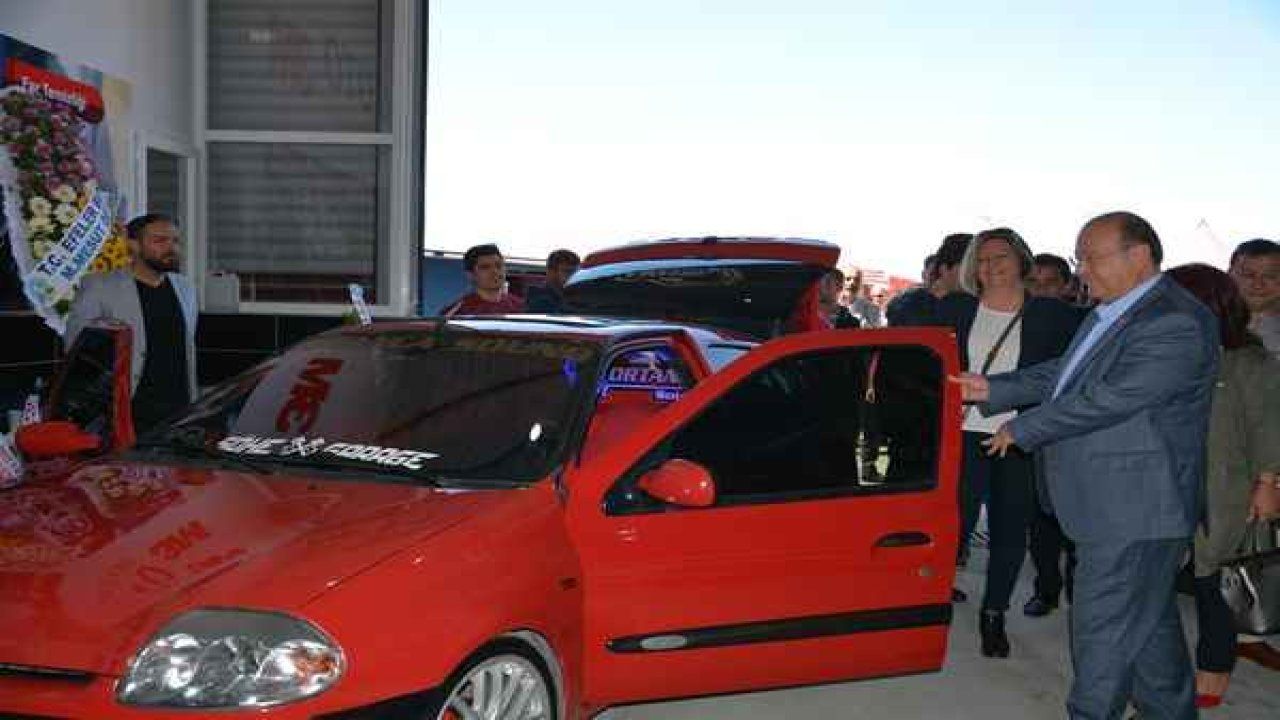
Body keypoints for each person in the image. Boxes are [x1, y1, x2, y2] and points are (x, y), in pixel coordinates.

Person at [952, 211, 1219, 719]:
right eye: (1080, 260)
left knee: (1101, 635)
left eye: (1092, 259)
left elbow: (1114, 396)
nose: (1082, 272)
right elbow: (1067, 373)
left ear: (1139, 256)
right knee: (1148, 629)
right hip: (1113, 504)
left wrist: (1025, 427)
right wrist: (994, 389)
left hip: (1135, 510)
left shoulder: (1174, 321)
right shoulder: (1112, 310)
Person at [935, 227, 1083, 657]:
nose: (991, 266)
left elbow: (1067, 376)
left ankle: (994, 613)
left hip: (1021, 436)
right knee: (953, 524)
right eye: (981, 259)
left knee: (1010, 530)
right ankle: (935, 598)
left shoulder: (1053, 316)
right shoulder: (956, 308)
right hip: (961, 434)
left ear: (1021, 261)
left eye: (1000, 257)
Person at [1165, 263, 1280, 708]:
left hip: (1225, 493)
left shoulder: (1249, 361)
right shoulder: (1172, 355)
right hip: (1171, 487)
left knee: (1219, 589)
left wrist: (1268, 483)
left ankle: (1211, 679)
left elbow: (1269, 428)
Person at [66, 213, 198, 434]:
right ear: (134, 245)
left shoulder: (186, 288)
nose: (171, 248)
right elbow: (77, 354)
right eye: (160, 240)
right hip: (126, 415)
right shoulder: (100, 287)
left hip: (178, 414)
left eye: (175, 241)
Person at [887, 233, 972, 326]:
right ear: (945, 269)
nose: (975, 274)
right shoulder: (908, 308)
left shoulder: (975, 306)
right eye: (968, 268)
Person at [439, 244, 525, 316]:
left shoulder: (522, 307)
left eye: (499, 265)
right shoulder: (458, 311)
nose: (495, 271)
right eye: (485, 267)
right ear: (471, 274)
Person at [1229, 238, 1279, 358]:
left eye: (1270, 276)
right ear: (1229, 275)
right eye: (1248, 275)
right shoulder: (1204, 326)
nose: (1258, 284)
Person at [525, 249, 581, 314]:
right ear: (551, 272)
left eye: (576, 272)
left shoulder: (575, 294)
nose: (574, 276)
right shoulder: (539, 296)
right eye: (568, 271)